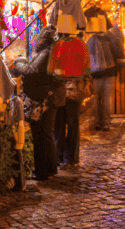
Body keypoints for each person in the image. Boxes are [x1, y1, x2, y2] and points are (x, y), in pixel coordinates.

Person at [15, 27, 63, 181]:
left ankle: (43, 171)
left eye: (39, 39)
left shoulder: (46, 53)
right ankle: (48, 168)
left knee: (42, 134)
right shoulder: (49, 52)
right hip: (45, 98)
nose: (36, 41)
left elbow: (31, 70)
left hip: (43, 100)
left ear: (43, 40)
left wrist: (18, 62)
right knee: (45, 134)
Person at [48, 15, 90, 167]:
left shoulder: (57, 46)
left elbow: (51, 69)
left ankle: (58, 156)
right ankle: (71, 158)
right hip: (75, 90)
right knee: (73, 124)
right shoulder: (82, 45)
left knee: (58, 124)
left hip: (60, 90)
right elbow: (87, 68)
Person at [86, 16, 121, 131]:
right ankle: (105, 123)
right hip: (110, 73)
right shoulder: (110, 38)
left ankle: (96, 122)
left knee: (96, 98)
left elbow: (87, 57)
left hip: (96, 74)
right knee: (107, 99)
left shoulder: (91, 40)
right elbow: (118, 52)